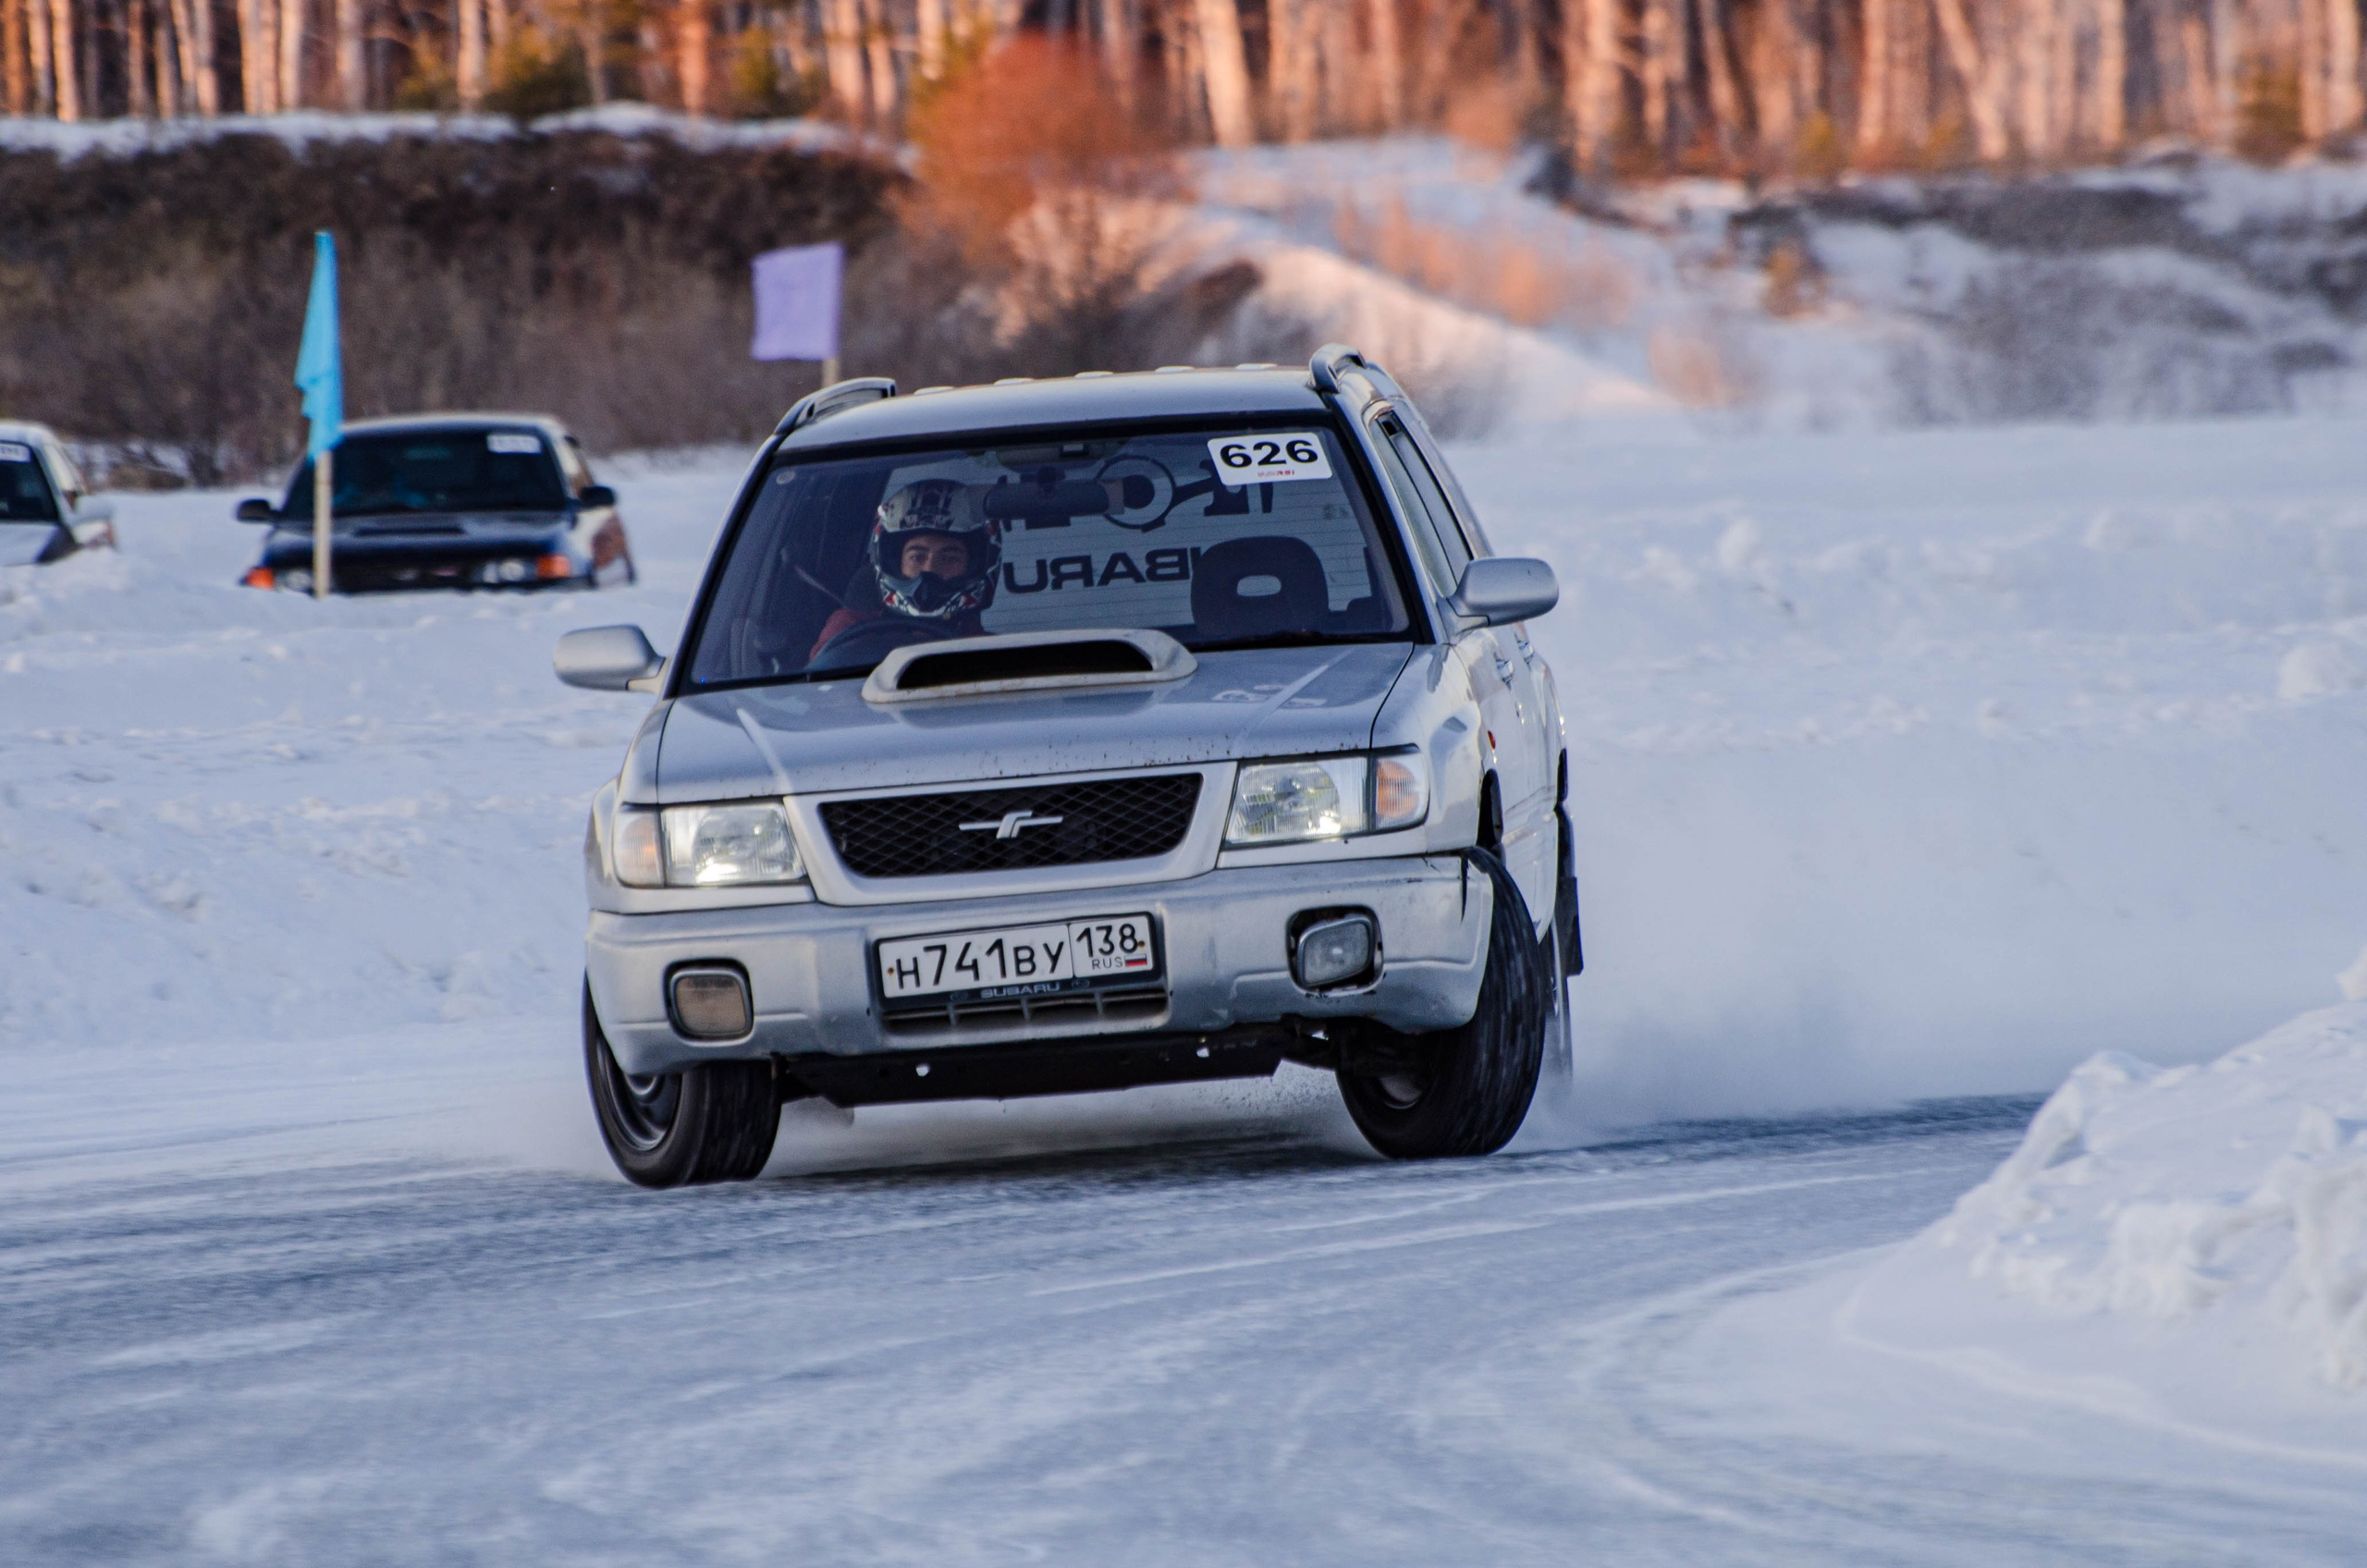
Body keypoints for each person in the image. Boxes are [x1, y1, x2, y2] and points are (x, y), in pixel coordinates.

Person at [810, 477, 1002, 663]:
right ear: (895, 562)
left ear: (973, 566)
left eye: (950, 559)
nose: (929, 570)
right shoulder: (848, 628)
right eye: (917, 557)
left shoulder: (991, 652)